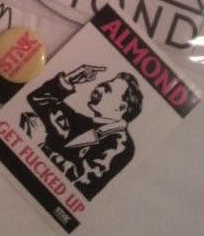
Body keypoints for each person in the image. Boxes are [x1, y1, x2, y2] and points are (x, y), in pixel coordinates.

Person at [21, 63, 143, 200]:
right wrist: (68, 81)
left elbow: (80, 183)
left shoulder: (120, 144)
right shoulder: (83, 122)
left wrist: (40, 146)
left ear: (121, 107)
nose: (99, 88)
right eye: (102, 84)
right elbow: (38, 99)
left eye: (107, 89)